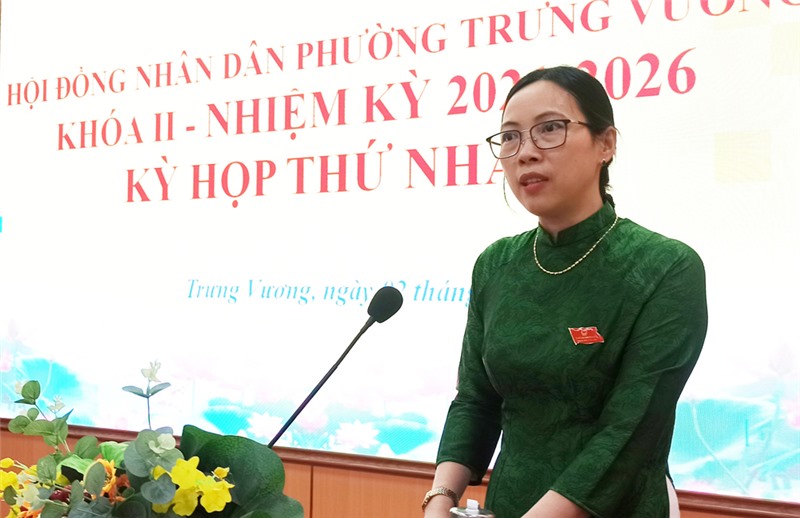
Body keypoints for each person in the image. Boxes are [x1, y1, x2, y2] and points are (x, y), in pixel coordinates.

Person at [421, 66, 708, 518]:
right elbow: (476, 400)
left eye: (550, 129)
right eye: (510, 137)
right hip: (508, 503)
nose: (526, 153)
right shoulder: (496, 264)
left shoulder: (665, 266)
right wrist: (439, 499)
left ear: (605, 144)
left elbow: (629, 433)